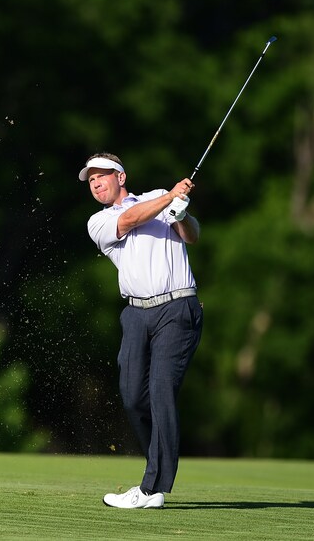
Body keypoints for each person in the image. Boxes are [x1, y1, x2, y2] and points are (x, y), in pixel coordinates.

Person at [80, 152, 203, 509]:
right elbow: (131, 219)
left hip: (177, 308)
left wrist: (181, 215)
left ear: (121, 177)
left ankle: (152, 489)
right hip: (135, 313)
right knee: (133, 396)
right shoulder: (98, 223)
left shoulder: (158, 197)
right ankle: (155, 476)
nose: (96, 183)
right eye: (91, 180)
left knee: (161, 389)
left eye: (102, 176)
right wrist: (169, 198)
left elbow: (191, 236)